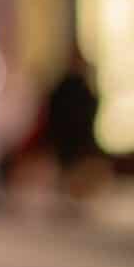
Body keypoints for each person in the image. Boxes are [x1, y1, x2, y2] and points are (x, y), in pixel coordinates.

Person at [45, 47, 101, 210]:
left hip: (76, 140)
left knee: (77, 173)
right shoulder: (65, 87)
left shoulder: (82, 88)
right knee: (69, 174)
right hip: (68, 140)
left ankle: (76, 200)